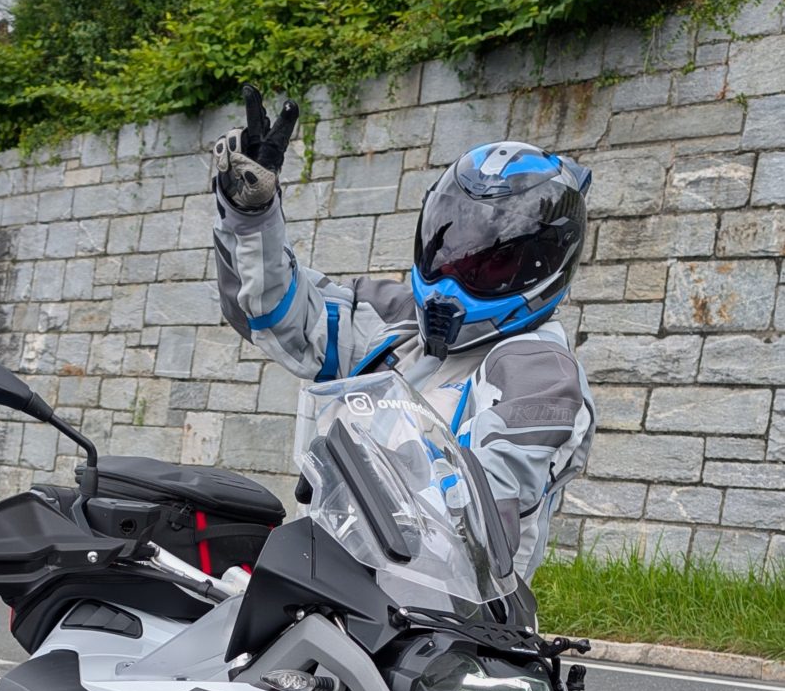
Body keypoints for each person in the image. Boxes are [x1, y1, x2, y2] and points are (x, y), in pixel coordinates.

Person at [211, 86, 596, 582]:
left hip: (452, 625)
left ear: (545, 263)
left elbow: (480, 514)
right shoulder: (396, 320)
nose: (455, 272)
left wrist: (362, 477)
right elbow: (273, 312)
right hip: (336, 592)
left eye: (488, 258)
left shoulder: (540, 372)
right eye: (451, 245)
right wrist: (252, 215)